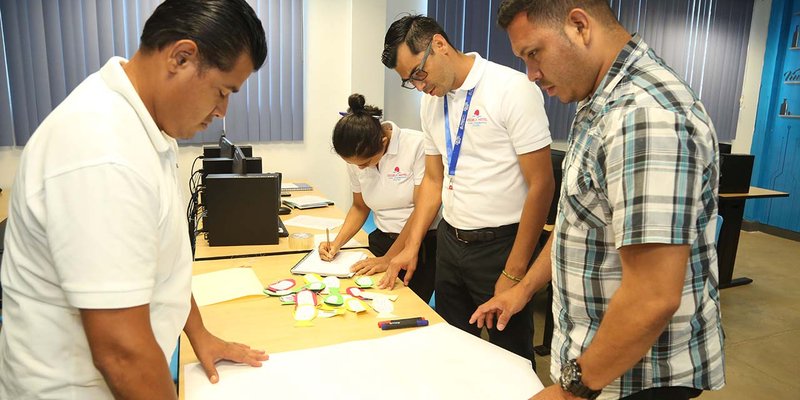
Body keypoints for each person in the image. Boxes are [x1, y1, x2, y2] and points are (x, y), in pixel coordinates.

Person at [0, 1, 269, 398]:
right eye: (222, 91)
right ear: (181, 57)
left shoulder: (145, 125)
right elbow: (121, 353)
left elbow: (156, 261)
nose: (222, 110)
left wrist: (200, 334)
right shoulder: (102, 149)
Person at [470, 1, 725, 399]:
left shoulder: (644, 114)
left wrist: (572, 390)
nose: (531, 74)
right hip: (600, 368)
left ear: (578, 26)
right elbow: (582, 218)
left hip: (635, 379)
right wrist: (523, 289)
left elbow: (652, 297)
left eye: (534, 53)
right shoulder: (599, 98)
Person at [378, 15, 554, 368]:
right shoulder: (432, 101)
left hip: (501, 248)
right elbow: (432, 180)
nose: (418, 86)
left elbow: (542, 185)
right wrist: (411, 246)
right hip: (450, 242)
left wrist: (514, 272)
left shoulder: (512, 89)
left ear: (439, 45)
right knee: (453, 348)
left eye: (418, 73)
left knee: (509, 357)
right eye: (408, 81)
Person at [319, 93, 438, 303]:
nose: (359, 168)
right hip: (381, 240)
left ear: (384, 142)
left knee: (404, 308)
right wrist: (336, 244)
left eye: (364, 163)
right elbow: (359, 206)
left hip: (420, 246)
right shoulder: (358, 155)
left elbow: (421, 209)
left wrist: (389, 258)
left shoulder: (418, 145)